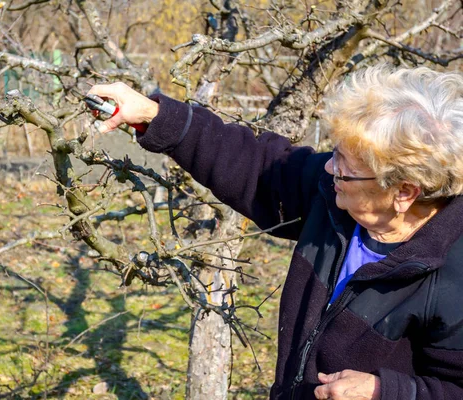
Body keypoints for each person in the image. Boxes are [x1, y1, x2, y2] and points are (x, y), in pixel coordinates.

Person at [87, 65, 463, 400]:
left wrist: (386, 392)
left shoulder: (453, 276)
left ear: (404, 192)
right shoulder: (334, 198)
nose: (330, 169)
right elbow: (255, 165)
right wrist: (154, 115)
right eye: (335, 154)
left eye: (346, 168)